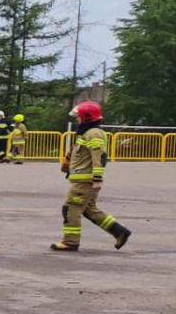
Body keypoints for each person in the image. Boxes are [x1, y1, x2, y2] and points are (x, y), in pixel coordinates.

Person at [53, 100, 131, 251]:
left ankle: (70, 241)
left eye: (79, 117)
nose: (77, 119)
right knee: (88, 209)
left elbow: (99, 156)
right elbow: (82, 153)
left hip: (85, 181)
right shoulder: (87, 133)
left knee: (70, 208)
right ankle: (119, 232)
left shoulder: (94, 133)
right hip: (83, 180)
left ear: (86, 117)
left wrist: (97, 179)